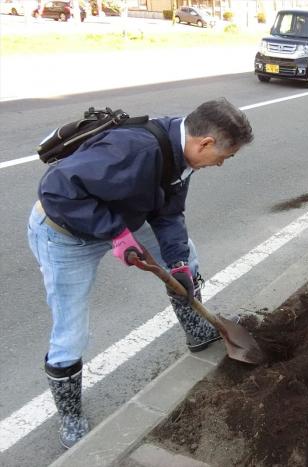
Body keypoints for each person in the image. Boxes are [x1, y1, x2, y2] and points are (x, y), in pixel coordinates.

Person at [27, 98, 254, 448]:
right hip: (65, 233)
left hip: (120, 220)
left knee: (186, 255)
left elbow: (168, 212)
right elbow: (58, 189)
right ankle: (70, 415)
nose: (221, 163)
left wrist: (176, 264)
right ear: (205, 143)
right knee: (71, 330)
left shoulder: (181, 155)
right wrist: (116, 234)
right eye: (225, 156)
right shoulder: (135, 149)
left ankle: (198, 331)